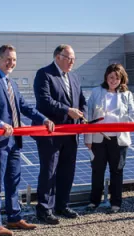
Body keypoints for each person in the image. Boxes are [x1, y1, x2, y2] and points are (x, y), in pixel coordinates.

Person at [0, 45, 54, 236]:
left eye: (14, 59)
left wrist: (44, 119)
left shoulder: (12, 84)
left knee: (14, 181)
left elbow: (26, 107)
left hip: (14, 141)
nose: (11, 63)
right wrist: (0, 124)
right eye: (7, 59)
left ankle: (14, 218)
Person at [33, 44, 87, 224]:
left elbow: (81, 100)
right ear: (58, 57)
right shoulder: (44, 74)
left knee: (67, 171)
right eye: (68, 58)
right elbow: (44, 101)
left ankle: (62, 205)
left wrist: (83, 114)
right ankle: (44, 209)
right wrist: (67, 110)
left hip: (72, 133)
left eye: (73, 59)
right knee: (49, 172)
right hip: (51, 133)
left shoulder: (74, 77)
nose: (72, 62)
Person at [84, 63, 134, 213]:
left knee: (117, 171)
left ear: (122, 79)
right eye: (111, 77)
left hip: (118, 140)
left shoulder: (126, 95)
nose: (113, 80)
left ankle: (116, 203)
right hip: (98, 139)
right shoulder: (96, 92)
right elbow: (88, 116)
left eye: (117, 78)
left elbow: (133, 113)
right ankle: (94, 201)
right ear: (106, 77)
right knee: (97, 171)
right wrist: (88, 139)